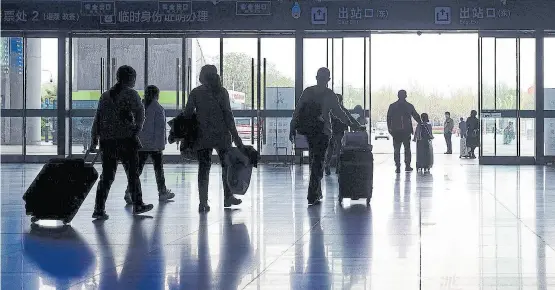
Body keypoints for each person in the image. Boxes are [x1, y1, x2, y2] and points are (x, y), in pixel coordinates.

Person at [89, 65, 153, 220]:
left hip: (107, 142)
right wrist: (136, 130)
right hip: (126, 140)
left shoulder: (105, 96)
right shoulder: (131, 94)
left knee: (107, 176)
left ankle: (99, 208)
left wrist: (94, 138)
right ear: (129, 78)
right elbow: (140, 113)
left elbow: (97, 118)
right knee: (132, 174)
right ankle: (138, 204)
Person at [289, 67, 361, 205]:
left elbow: (298, 110)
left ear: (316, 77)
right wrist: (353, 124)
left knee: (314, 160)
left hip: (309, 131)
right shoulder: (329, 95)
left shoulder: (308, 92)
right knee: (319, 161)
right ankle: (313, 193)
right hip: (323, 131)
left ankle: (316, 191)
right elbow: (340, 113)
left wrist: (293, 125)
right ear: (328, 80)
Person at [183, 65, 244, 212]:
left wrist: (186, 134)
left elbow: (187, 114)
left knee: (204, 169)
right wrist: (236, 138)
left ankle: (203, 202)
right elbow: (228, 116)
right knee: (227, 167)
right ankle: (228, 196)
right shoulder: (221, 92)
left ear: (202, 76)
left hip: (202, 136)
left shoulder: (196, 93)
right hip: (222, 136)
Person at [123, 85, 175, 204]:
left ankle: (128, 192)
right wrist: (161, 145)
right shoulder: (158, 108)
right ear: (157, 94)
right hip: (154, 145)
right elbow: (160, 129)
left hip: (141, 144)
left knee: (137, 170)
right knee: (158, 170)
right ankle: (162, 192)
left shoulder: (139, 106)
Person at [386, 89, 422, 173]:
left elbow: (388, 118)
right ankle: (407, 166)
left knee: (397, 149)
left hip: (396, 131)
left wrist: (390, 129)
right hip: (406, 131)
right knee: (407, 149)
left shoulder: (392, 106)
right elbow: (416, 116)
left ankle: (398, 167)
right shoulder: (409, 106)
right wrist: (421, 123)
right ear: (406, 96)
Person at [324, 94, 360, 176]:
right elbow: (350, 118)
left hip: (331, 131)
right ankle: (338, 167)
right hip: (340, 131)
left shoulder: (330, 110)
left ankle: (327, 164)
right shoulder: (343, 109)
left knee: (330, 149)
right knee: (339, 150)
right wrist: (357, 125)